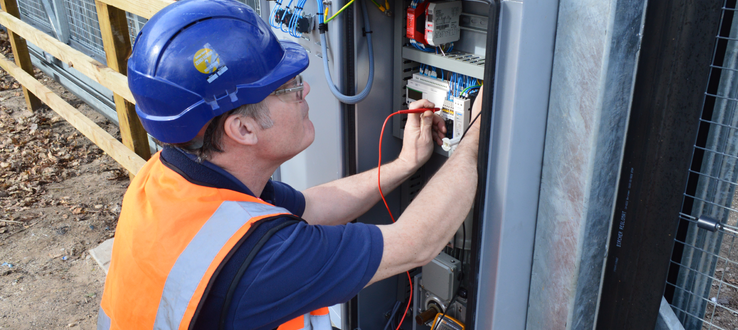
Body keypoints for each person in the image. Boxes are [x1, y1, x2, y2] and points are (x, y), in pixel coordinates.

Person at [97, 0, 482, 329]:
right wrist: (478, 134)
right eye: (288, 88)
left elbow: (312, 206)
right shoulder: (260, 260)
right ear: (243, 128)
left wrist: (403, 164)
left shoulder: (171, 176)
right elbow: (415, 244)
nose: (306, 89)